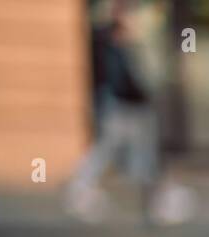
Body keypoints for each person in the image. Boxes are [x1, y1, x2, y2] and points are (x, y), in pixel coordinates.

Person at [66, 8, 161, 223]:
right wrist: (140, 96)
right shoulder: (112, 46)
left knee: (140, 154)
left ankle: (148, 200)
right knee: (109, 149)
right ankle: (81, 187)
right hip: (122, 107)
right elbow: (121, 81)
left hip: (130, 108)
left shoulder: (122, 46)